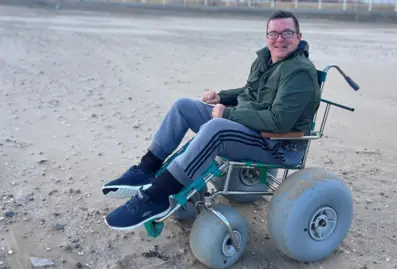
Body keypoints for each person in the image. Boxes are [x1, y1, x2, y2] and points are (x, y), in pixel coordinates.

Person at [102, 10, 321, 230]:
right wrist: (222, 97)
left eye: (287, 33)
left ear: (299, 37)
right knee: (183, 106)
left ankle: (156, 197)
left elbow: (279, 121)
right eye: (274, 33)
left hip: (277, 144)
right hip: (252, 126)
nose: (279, 39)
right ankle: (146, 169)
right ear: (267, 36)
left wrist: (227, 114)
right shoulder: (266, 58)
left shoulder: (299, 72)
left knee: (217, 128)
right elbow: (249, 91)